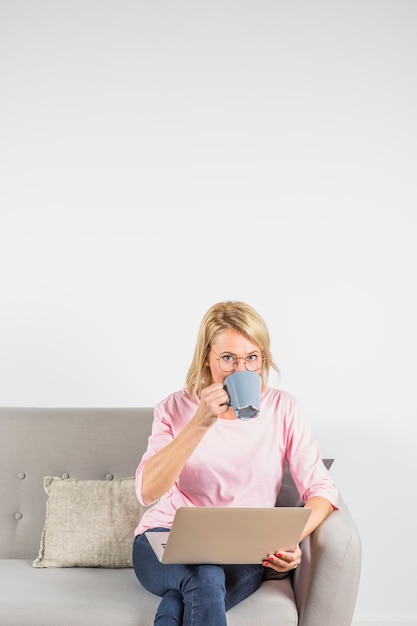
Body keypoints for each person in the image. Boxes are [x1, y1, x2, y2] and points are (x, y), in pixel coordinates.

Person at [132, 300, 338, 626]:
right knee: (206, 577)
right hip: (163, 537)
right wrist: (199, 422)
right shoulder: (173, 409)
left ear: (263, 359)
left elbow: (322, 490)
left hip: (243, 550)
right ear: (207, 359)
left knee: (196, 588)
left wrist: (291, 539)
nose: (242, 370)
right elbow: (146, 492)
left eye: (252, 358)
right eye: (228, 358)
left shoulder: (284, 409)